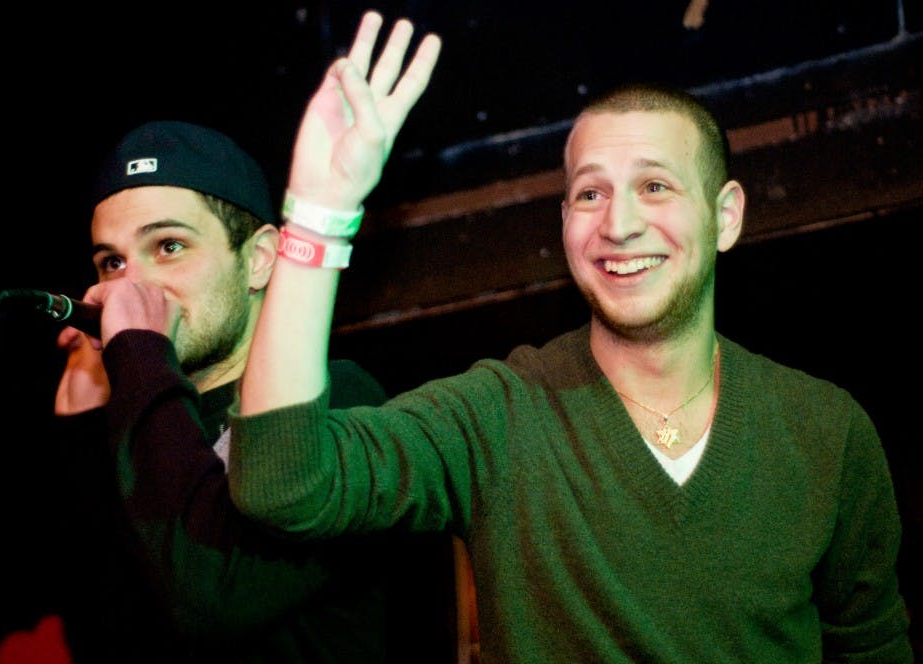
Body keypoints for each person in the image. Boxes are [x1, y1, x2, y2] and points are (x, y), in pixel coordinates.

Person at [221, 10, 914, 663]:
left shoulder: (827, 431)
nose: (618, 224)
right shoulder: (498, 414)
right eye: (590, 193)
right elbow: (283, 485)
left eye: (654, 187)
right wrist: (320, 211)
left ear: (725, 216)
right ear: (563, 222)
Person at [0, 115, 457, 661]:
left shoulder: (337, 401)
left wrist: (140, 360)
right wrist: (84, 434)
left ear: (259, 260)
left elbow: (211, 599)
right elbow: (100, 627)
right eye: (111, 262)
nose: (130, 284)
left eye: (168, 246)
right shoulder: (139, 420)